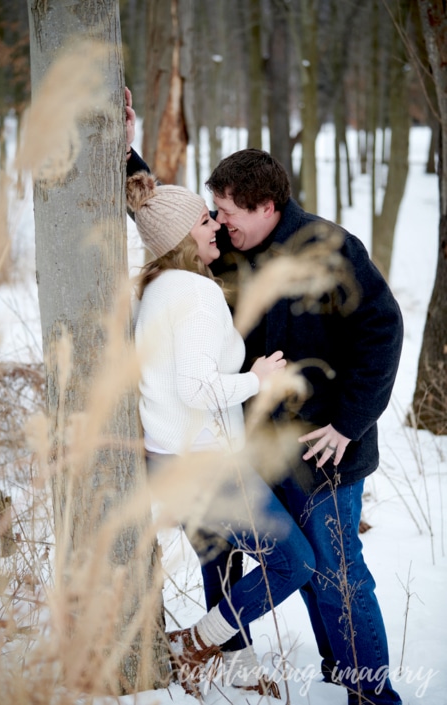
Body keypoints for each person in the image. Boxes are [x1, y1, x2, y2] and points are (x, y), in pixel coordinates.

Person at [124, 92, 404, 704]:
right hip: (248, 448)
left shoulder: (331, 250)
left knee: (334, 576)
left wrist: (349, 424)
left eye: (226, 211)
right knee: (226, 556)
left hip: (321, 452)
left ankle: (370, 694)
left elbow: (382, 334)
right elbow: (168, 220)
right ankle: (251, 664)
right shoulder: (223, 255)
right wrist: (126, 152)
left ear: (267, 206)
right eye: (214, 212)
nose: (218, 222)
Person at [126, 170, 316, 698]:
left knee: (223, 561)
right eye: (205, 220)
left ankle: (239, 668)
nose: (216, 227)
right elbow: (194, 387)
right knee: (293, 560)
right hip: (206, 465)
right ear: (184, 237)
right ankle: (194, 644)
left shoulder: (159, 288)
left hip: (170, 462)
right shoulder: (195, 295)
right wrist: (256, 378)